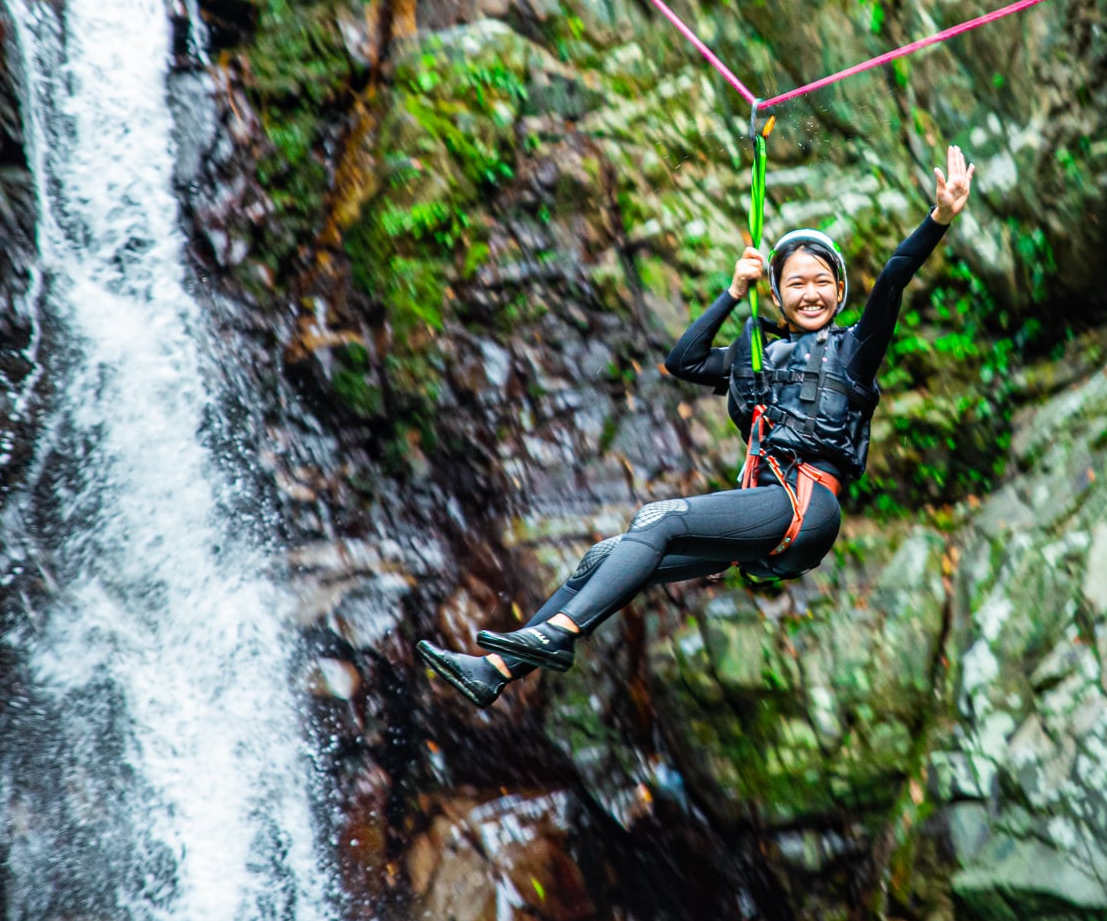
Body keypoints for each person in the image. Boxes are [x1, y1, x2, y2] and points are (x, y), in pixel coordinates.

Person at [416, 144, 977, 707]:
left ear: (839, 289)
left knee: (658, 519)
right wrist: (734, 292)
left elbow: (893, 279)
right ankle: (496, 669)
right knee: (605, 555)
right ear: (777, 296)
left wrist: (940, 217)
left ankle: (559, 635)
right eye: (796, 284)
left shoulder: (854, 349)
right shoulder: (757, 354)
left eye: (822, 282)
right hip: (764, 512)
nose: (811, 294)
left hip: (805, 501)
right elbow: (683, 360)